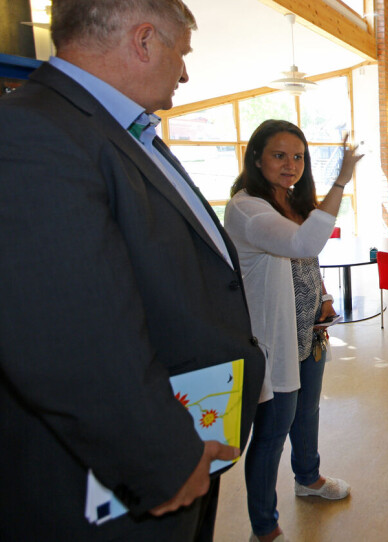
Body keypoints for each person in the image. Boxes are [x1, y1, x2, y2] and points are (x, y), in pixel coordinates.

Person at [0, 1, 266, 541]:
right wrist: (164, 461)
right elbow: (64, 339)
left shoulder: (113, 129)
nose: (185, 73)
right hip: (122, 479)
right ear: (144, 41)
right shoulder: (33, 133)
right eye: (181, 52)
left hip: (181, 437)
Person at [224, 120, 360, 542]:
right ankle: (264, 528)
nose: (291, 165)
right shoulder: (248, 208)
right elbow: (304, 244)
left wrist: (323, 296)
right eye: (279, 155)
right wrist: (341, 180)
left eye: (298, 157)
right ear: (256, 158)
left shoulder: (288, 200)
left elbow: (306, 262)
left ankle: (308, 477)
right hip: (273, 339)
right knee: (271, 433)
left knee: (306, 413)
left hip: (308, 330)